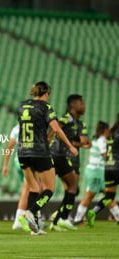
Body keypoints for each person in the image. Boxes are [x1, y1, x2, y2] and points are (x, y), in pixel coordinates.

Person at [17, 81, 78, 236]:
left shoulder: (22, 105)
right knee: (49, 189)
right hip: (39, 152)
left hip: (23, 152)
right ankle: (30, 212)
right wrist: (70, 146)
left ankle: (34, 228)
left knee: (33, 188)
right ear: (47, 93)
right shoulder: (46, 107)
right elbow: (56, 128)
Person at [48, 94, 91, 231]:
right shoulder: (66, 118)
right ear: (73, 105)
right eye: (80, 103)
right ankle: (61, 217)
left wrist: (83, 143)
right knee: (72, 187)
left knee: (73, 189)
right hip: (63, 155)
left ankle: (59, 217)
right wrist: (47, 141)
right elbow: (55, 129)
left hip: (74, 158)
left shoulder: (81, 123)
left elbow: (83, 141)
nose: (83, 106)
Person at [85, 114, 119, 227]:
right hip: (117, 166)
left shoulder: (110, 134)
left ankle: (94, 211)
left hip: (108, 168)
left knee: (109, 196)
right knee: (109, 196)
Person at [73, 121, 109, 225]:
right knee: (89, 196)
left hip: (93, 170)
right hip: (96, 171)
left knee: (109, 194)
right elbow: (104, 155)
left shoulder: (95, 139)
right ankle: (77, 219)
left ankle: (116, 215)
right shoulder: (102, 140)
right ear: (105, 130)